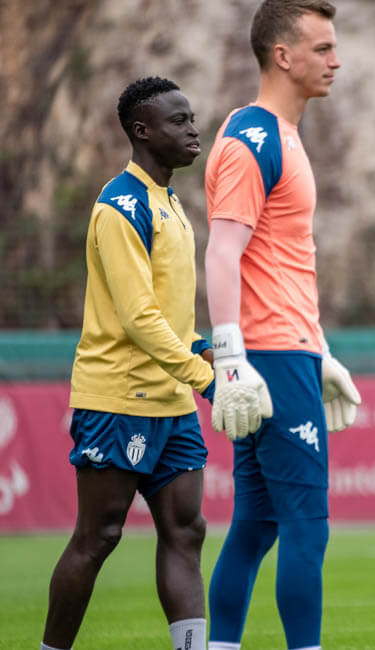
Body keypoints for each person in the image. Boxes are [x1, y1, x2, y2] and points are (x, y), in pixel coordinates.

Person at [202, 2, 359, 649]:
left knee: (257, 524)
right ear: (283, 55)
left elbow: (282, 263)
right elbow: (221, 252)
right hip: (269, 356)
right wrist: (231, 357)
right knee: (305, 525)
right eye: (322, 48)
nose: (336, 60)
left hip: (288, 350)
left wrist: (320, 351)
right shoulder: (255, 139)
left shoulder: (282, 134)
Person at [42, 76, 215, 650]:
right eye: (178, 121)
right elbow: (139, 318)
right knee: (99, 536)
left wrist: (205, 351)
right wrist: (207, 379)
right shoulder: (121, 206)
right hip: (118, 398)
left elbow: (169, 314)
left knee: (187, 531)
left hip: (172, 403)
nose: (193, 130)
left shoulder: (170, 202)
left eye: (191, 118)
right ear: (142, 131)